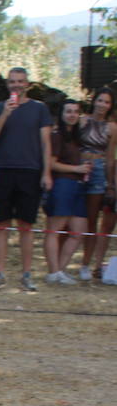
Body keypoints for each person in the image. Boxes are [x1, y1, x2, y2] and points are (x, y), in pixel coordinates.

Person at [0, 67, 52, 292]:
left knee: (26, 225)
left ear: (27, 84)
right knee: (1, 225)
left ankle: (27, 275)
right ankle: (1, 274)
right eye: (12, 81)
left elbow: (45, 144)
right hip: (2, 171)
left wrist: (46, 172)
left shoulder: (39, 109)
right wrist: (5, 113)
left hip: (29, 172)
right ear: (7, 84)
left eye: (20, 81)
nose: (16, 85)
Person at [42, 99, 90, 284]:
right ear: (62, 114)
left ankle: (60, 271)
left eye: (75, 112)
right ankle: (53, 272)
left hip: (78, 186)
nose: (72, 115)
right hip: (62, 184)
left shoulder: (76, 136)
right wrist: (77, 169)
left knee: (79, 230)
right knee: (54, 229)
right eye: (68, 111)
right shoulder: (57, 135)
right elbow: (52, 163)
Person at [78, 87, 116, 281]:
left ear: (110, 106)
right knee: (71, 218)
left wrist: (110, 184)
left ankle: (85, 264)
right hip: (78, 168)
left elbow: (110, 158)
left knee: (92, 220)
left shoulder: (111, 128)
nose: (102, 105)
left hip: (99, 170)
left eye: (107, 102)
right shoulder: (82, 121)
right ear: (94, 101)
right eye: (100, 100)